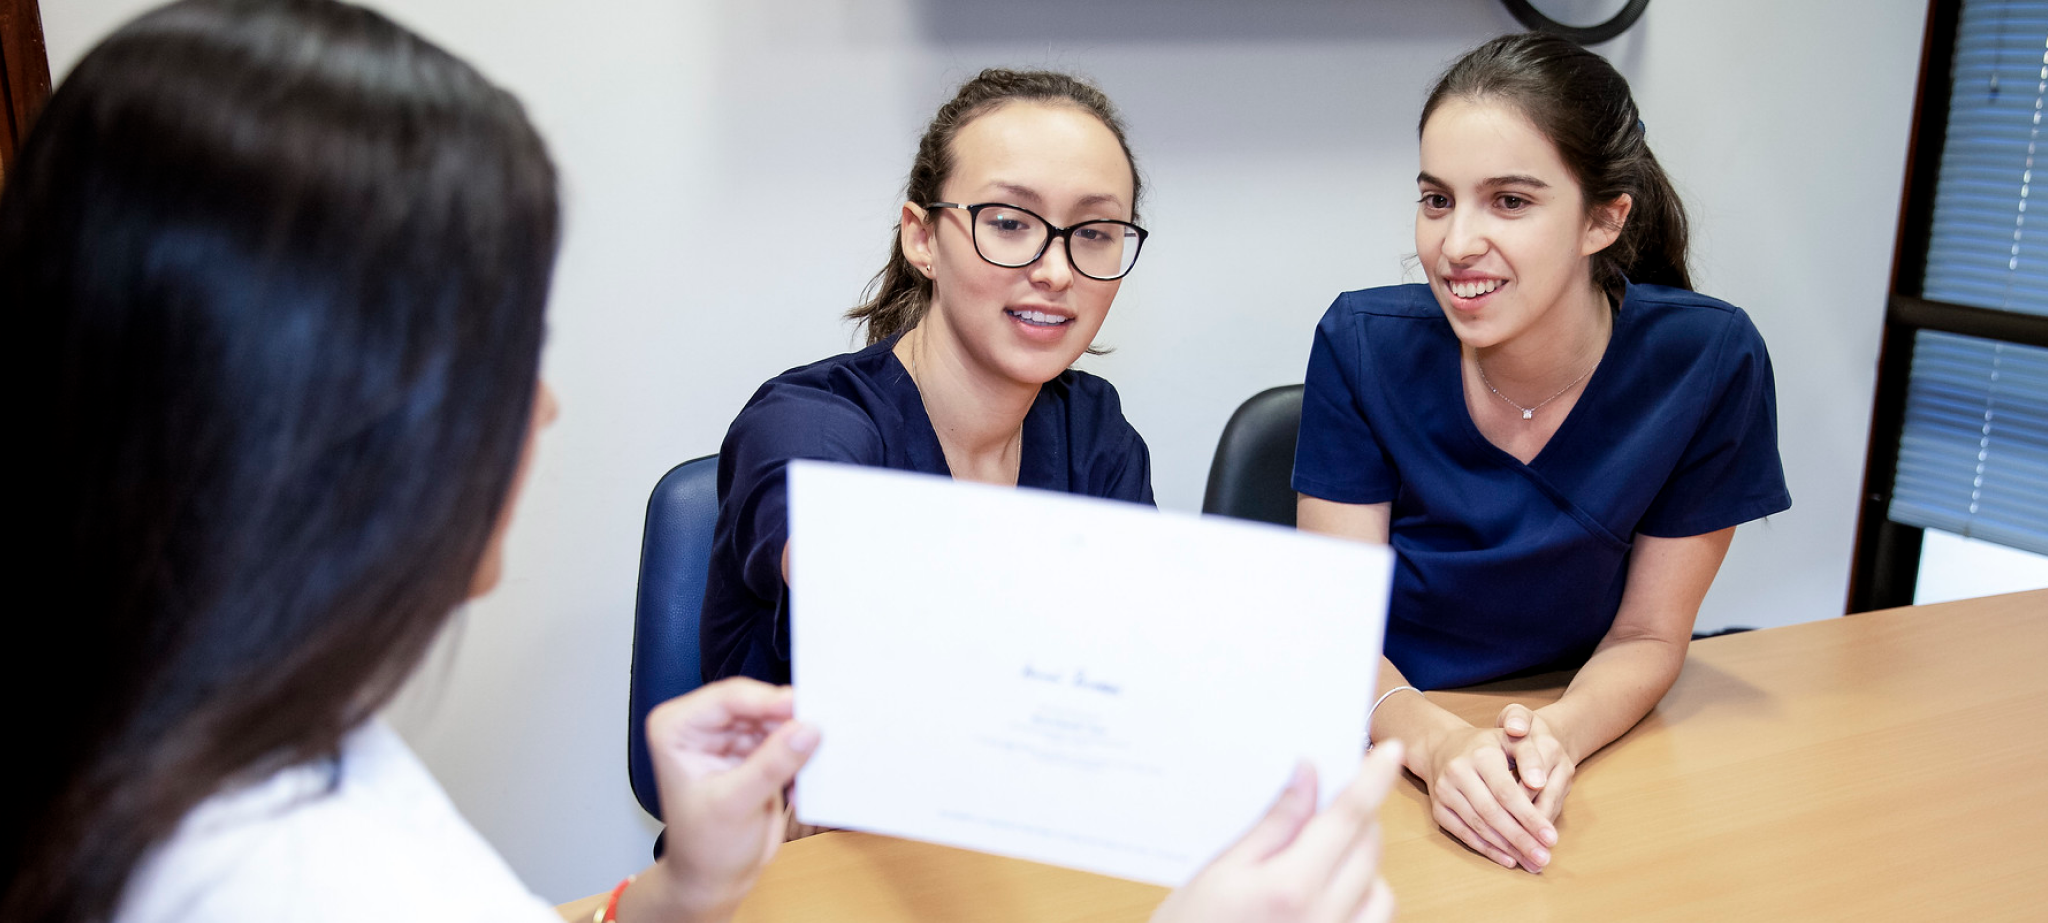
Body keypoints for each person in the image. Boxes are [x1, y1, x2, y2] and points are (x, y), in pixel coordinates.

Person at [1, 3, 1399, 921]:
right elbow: (871, 575)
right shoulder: (274, 870)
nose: (543, 405)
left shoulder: (285, 752)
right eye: (500, 346)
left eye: (1097, 233)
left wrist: (677, 890)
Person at [1294, 33, 1791, 876]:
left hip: (1583, 733)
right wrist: (1442, 745)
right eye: (1437, 199)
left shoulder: (1708, 362)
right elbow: (1330, 634)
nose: (1455, 245)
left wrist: (1551, 740)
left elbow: (1647, 634)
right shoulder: (1360, 344)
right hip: (1381, 730)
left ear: (1605, 217)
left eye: (1510, 202)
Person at [700, 69, 1155, 686]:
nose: (1054, 270)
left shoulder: (1092, 429)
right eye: (1010, 222)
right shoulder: (808, 421)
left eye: (1095, 233)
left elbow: (1133, 657)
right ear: (922, 238)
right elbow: (850, 580)